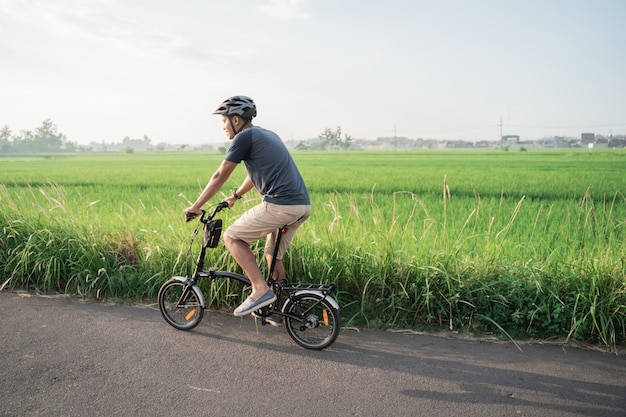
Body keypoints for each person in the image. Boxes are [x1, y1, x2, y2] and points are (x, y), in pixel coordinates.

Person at [184, 96, 311, 319]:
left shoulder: (243, 138)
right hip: (301, 206)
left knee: (232, 237)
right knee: (272, 255)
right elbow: (255, 175)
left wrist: (195, 207)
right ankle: (277, 310)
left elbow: (220, 175)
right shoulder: (266, 135)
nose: (223, 127)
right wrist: (235, 196)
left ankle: (260, 290)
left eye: (224, 122)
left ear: (235, 119)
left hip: (280, 205)